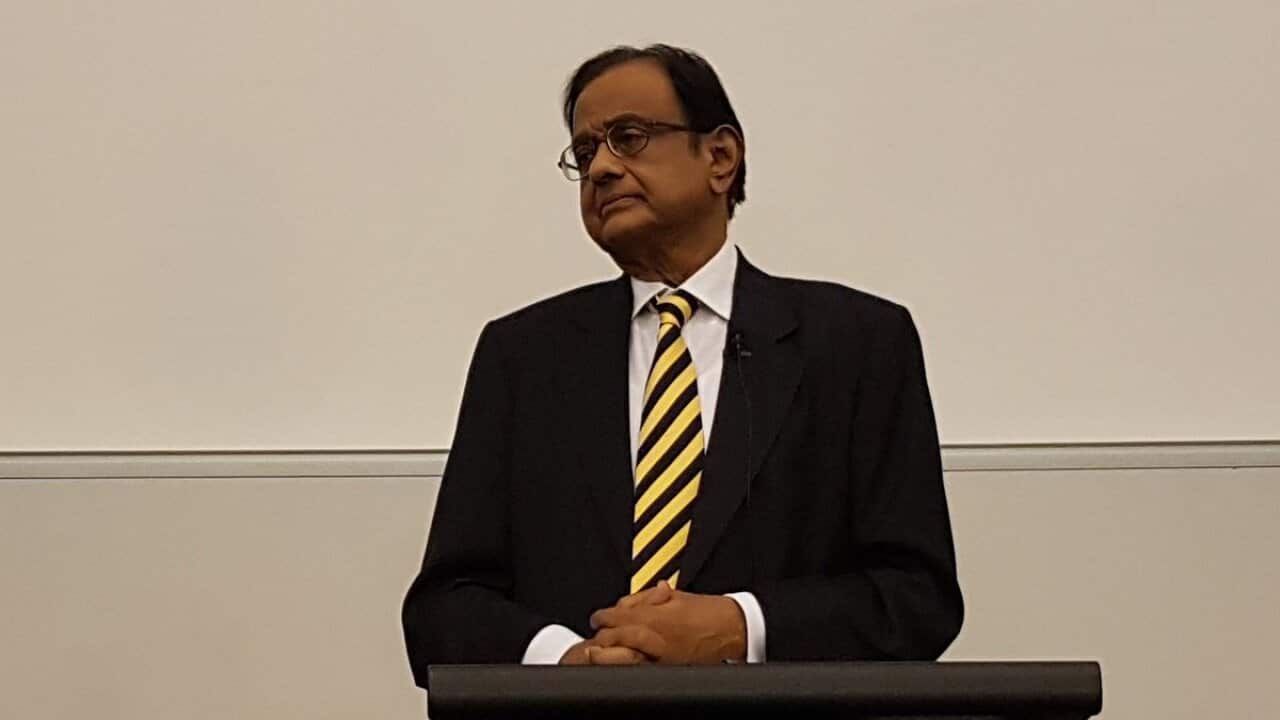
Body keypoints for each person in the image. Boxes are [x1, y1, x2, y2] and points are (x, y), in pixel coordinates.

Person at [402, 44, 962, 684]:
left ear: (720, 157)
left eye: (629, 138)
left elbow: (917, 599)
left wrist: (739, 626)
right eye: (584, 152)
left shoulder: (857, 343)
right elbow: (442, 608)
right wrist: (569, 661)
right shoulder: (522, 356)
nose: (601, 168)